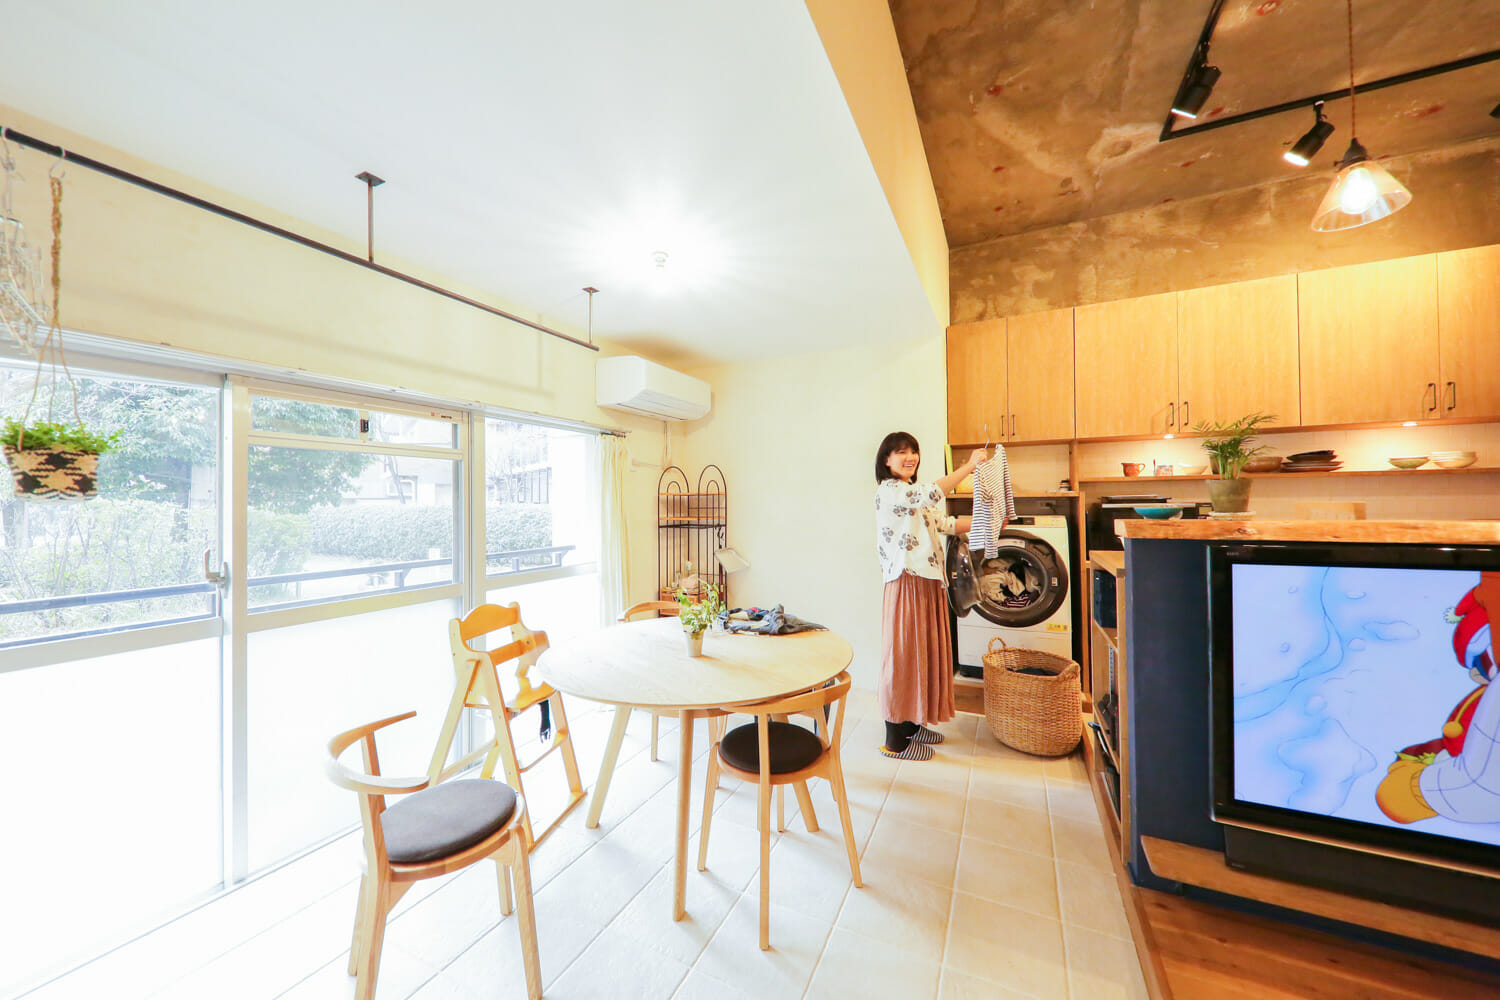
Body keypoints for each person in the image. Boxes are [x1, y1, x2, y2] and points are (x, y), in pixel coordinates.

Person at [874, 432, 984, 759]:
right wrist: (969, 466)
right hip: (906, 579)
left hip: (925, 580)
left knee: (921, 653)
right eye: (901, 452)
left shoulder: (911, 494)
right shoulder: (891, 490)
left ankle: (911, 724)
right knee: (903, 657)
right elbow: (932, 492)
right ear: (886, 460)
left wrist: (987, 522)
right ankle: (894, 741)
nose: (910, 457)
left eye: (914, 452)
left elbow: (945, 523)